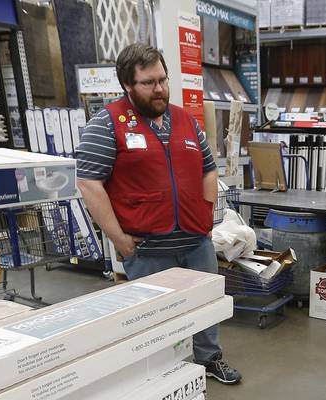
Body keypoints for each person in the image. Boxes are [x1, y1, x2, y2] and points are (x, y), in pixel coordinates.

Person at [75, 43, 241, 385]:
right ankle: (170, 374)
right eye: (149, 82)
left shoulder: (185, 121)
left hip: (196, 242)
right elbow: (89, 183)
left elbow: (209, 170)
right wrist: (119, 239)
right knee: (157, 321)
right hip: (148, 249)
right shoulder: (107, 123)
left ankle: (210, 358)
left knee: (205, 307)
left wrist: (206, 217)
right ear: (127, 84)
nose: (160, 88)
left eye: (163, 80)